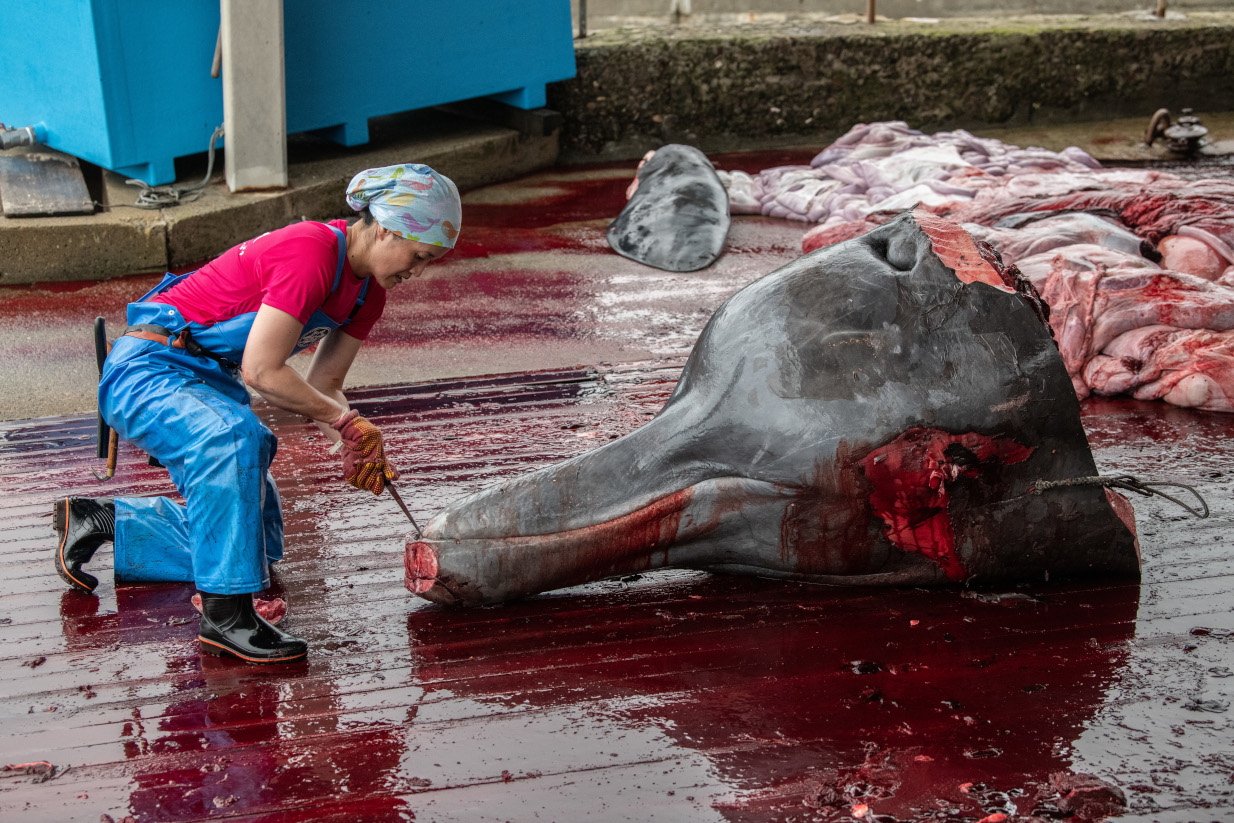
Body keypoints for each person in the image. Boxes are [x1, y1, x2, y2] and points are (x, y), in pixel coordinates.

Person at [51, 163, 461, 664]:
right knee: (235, 440)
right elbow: (263, 372)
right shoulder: (311, 251)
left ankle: (105, 520)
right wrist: (345, 423)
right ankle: (225, 619)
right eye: (418, 255)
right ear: (386, 227)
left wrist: (354, 443)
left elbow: (324, 385)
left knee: (252, 539)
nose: (417, 271)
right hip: (147, 368)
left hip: (206, 381)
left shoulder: (368, 294)